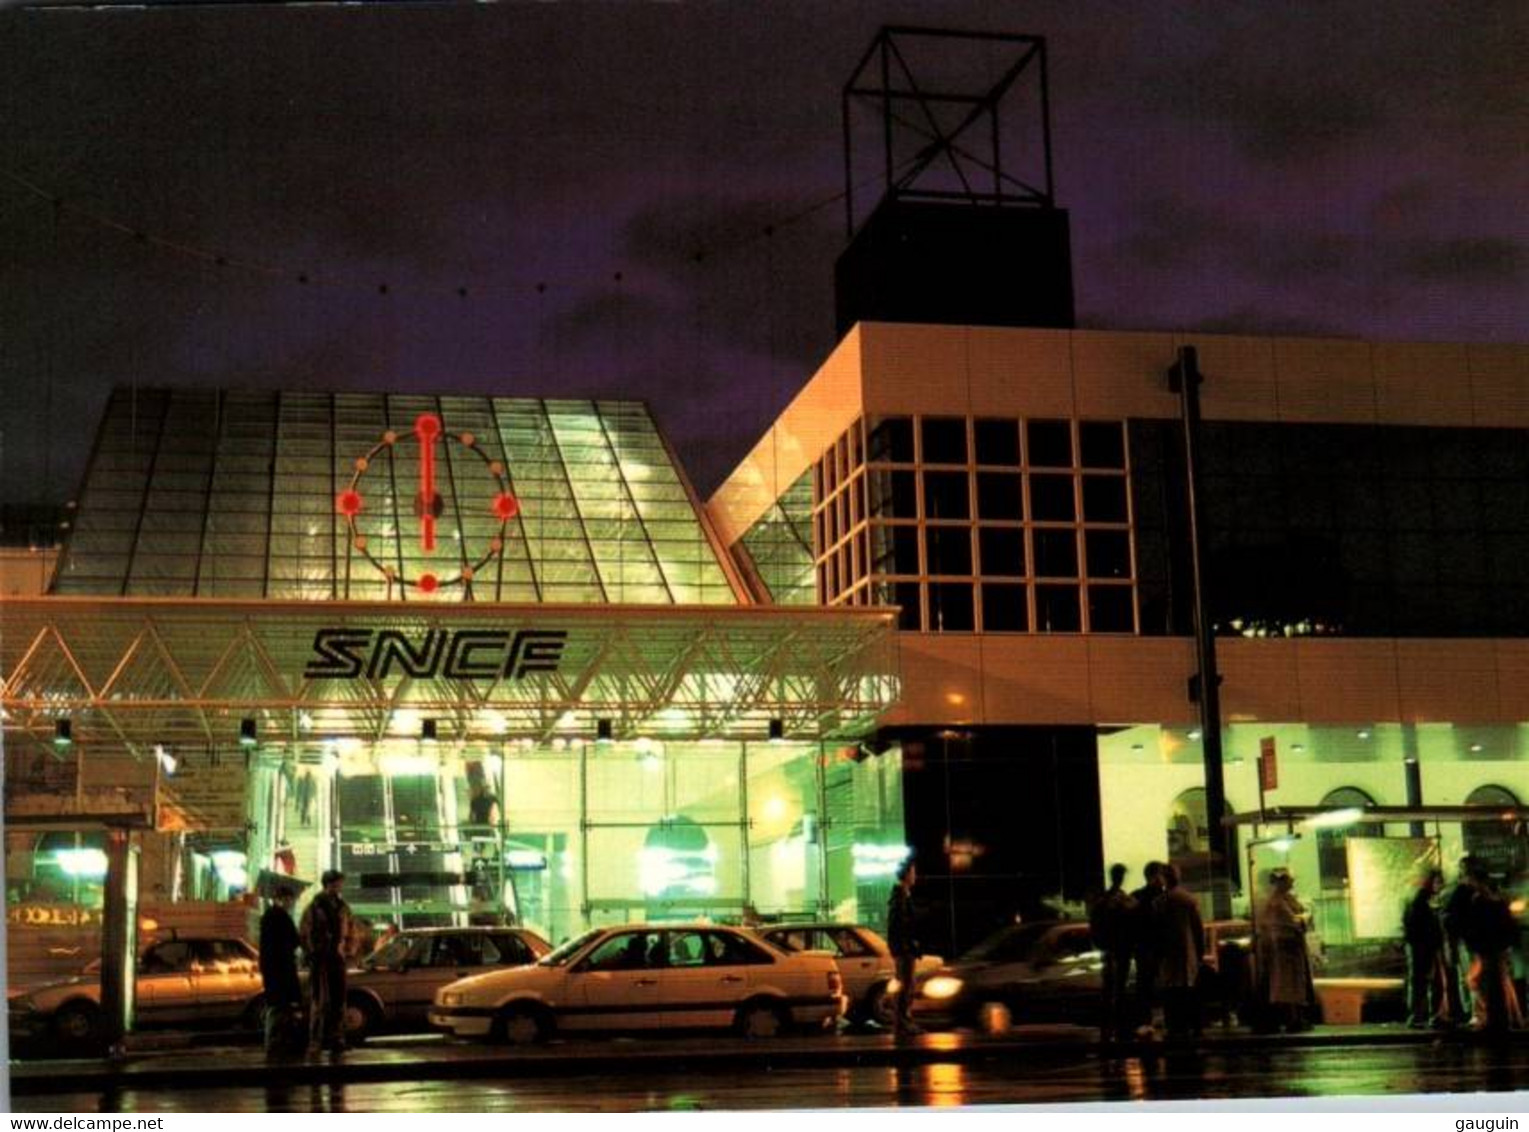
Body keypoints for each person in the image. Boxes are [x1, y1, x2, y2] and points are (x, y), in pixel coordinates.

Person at [1460, 861, 1522, 1034]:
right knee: (1500, 984)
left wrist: (1474, 944)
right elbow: (1508, 925)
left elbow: (1476, 927)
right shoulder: (1498, 901)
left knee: (1479, 982)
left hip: (1486, 949)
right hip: (1497, 948)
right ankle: (1509, 1019)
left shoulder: (1479, 902)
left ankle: (1488, 1019)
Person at [300, 868, 353, 1054]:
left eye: (340, 882)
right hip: (320, 959)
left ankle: (337, 1039)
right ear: (328, 884)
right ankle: (315, 1042)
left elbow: (351, 930)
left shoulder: (342, 906)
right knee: (320, 1002)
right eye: (337, 883)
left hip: (336, 958)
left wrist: (347, 950)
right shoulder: (315, 906)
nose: (340, 886)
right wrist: (312, 953)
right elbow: (305, 933)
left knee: (339, 1000)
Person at [1258, 868, 1315, 1033]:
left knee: (1293, 985)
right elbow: (1294, 921)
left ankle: (1295, 1018)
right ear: (1282, 882)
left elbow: (1300, 914)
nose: (1292, 883)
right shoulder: (1277, 902)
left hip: (1291, 949)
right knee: (1287, 986)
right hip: (1285, 950)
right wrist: (1303, 918)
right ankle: (1292, 1019)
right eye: (1289, 880)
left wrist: (1302, 917)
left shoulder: (1285, 899)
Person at [1155, 864, 1205, 1040]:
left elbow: (1157, 932)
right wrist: (1200, 953)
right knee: (1189, 990)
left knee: (1172, 992)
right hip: (1188, 952)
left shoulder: (1160, 902)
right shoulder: (1189, 900)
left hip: (1169, 955)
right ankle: (1194, 1025)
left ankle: (1176, 1026)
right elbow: (1198, 930)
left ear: (1164, 879)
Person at [1089, 863, 1136, 1042]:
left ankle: (1110, 1025)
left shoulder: (1105, 900)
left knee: (1110, 988)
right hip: (1119, 949)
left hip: (1110, 949)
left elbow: (1095, 925)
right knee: (1118, 988)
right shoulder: (1122, 900)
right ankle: (1118, 1024)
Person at [258, 885, 303, 1059]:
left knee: (278, 1007)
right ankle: (275, 1045)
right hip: (280, 969)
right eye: (290, 899)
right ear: (281, 899)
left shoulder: (270, 916)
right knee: (278, 1008)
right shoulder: (279, 917)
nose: (291, 903)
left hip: (274, 969)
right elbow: (293, 940)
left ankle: (275, 1044)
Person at [1402, 868, 1449, 1029]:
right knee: (1427, 983)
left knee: (1421, 983)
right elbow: (1420, 927)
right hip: (1423, 948)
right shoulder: (1422, 900)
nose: (1441, 885)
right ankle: (1427, 1016)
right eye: (1438, 882)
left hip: (1420, 947)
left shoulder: (1419, 899)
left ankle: (1420, 1016)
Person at [1442, 855, 1481, 1025]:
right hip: (1471, 939)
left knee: (1466, 977)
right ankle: (1474, 1012)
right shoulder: (1471, 891)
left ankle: (1470, 1012)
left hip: (1464, 939)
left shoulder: (1459, 891)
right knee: (1472, 977)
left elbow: (1449, 917)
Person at [1129, 861, 1167, 1035]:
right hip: (1155, 947)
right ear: (1154, 876)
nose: (1163, 879)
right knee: (1157, 983)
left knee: (1145, 984)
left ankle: (1146, 1020)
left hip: (1144, 947)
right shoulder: (1163, 897)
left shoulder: (1136, 897)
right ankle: (1158, 1018)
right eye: (1161, 875)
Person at [886, 857, 921, 1037]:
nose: (915, 875)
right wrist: (905, 946)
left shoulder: (904, 896)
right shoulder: (899, 897)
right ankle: (902, 1023)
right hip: (904, 950)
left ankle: (904, 1021)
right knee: (906, 985)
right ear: (906, 874)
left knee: (907, 984)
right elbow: (898, 925)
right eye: (913, 872)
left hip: (906, 949)